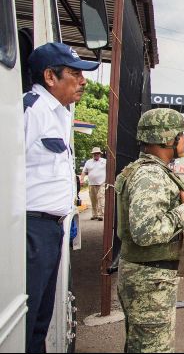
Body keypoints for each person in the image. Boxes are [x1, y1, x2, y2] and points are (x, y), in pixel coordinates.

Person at [23, 42, 99, 353]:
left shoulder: (61, 112)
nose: (83, 80)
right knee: (26, 319)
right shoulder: (30, 111)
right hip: (30, 230)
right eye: (75, 73)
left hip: (52, 228)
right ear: (50, 77)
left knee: (41, 317)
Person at [115, 108, 184, 353]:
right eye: (181, 135)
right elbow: (146, 231)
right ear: (167, 139)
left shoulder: (149, 170)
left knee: (140, 345)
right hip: (149, 281)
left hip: (147, 278)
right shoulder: (150, 175)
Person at [80, 146, 107, 220]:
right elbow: (84, 172)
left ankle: (101, 215)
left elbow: (110, 170)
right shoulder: (88, 162)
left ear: (100, 154)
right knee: (93, 200)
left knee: (101, 198)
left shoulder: (104, 161)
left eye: (97, 153)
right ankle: (94, 214)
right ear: (93, 154)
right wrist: (81, 180)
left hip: (101, 183)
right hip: (91, 184)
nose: (96, 155)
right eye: (95, 154)